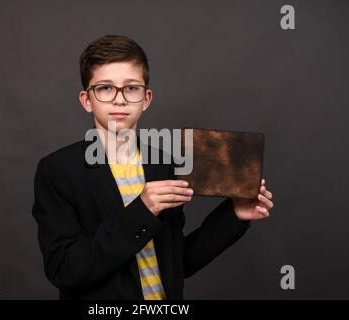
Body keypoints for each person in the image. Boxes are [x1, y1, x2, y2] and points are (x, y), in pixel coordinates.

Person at [32, 34, 274, 300]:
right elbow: (65, 270)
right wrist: (143, 209)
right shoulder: (57, 170)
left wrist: (234, 214)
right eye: (105, 88)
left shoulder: (164, 164)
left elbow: (178, 262)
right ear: (86, 100)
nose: (119, 99)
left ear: (146, 99)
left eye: (131, 88)